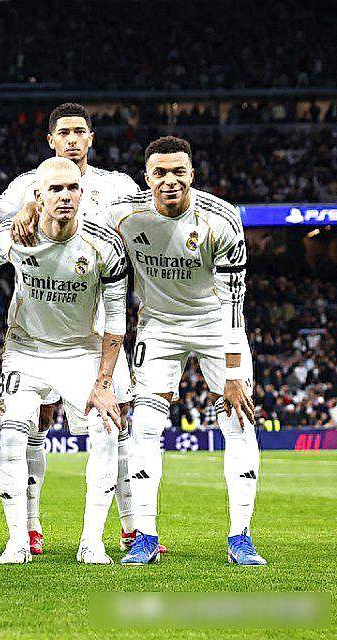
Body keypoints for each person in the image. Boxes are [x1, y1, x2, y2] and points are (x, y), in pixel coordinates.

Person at [103, 136, 264, 566]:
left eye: (178, 172)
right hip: (159, 326)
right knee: (144, 427)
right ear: (147, 177)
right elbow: (74, 226)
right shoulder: (122, 215)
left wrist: (234, 374)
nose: (169, 180)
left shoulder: (221, 219)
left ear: (192, 174)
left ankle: (240, 537)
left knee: (239, 422)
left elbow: (234, 305)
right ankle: (145, 536)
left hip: (216, 325)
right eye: (160, 172)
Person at [0, 102, 142, 555]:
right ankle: (27, 529)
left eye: (80, 131)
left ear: (91, 138)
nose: (73, 139)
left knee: (116, 427)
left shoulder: (117, 186)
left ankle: (128, 529)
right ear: (51, 140)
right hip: (33, 336)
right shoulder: (25, 187)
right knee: (29, 428)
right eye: (64, 132)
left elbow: (145, 226)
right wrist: (23, 210)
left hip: (91, 335)